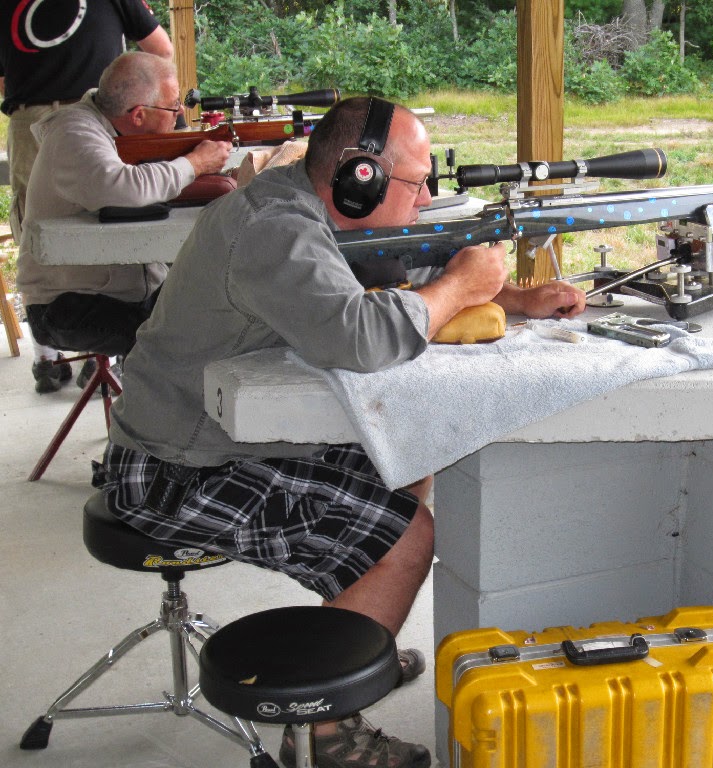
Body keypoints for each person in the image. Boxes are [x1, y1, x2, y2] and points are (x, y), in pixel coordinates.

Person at [95, 96, 587, 768]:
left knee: (404, 461)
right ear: (360, 178)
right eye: (415, 184)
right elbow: (359, 335)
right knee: (409, 535)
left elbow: (385, 289)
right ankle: (336, 732)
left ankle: (348, 642)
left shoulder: (302, 208)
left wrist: (509, 298)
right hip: (172, 469)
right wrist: (462, 282)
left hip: (213, 439)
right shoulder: (275, 227)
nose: (423, 199)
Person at [15, 51, 230, 392]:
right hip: (66, 305)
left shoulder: (106, 126)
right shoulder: (74, 133)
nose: (179, 118)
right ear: (138, 115)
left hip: (120, 292)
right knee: (183, 340)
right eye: (174, 108)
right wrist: (195, 163)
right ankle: (150, 428)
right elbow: (124, 187)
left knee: (219, 310)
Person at [0, 0, 174, 392]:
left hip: (108, 111)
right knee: (43, 227)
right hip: (82, 115)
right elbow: (161, 47)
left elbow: (159, 51)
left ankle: (103, 362)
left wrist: (142, 98)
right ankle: (54, 355)